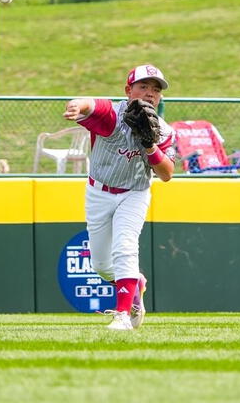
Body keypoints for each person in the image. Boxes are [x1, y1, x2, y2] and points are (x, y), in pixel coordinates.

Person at [63, 64, 175, 331]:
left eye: (156, 89)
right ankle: (135, 283)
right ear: (128, 91)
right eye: (143, 86)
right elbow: (89, 103)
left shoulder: (164, 131)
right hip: (99, 191)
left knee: (125, 246)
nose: (150, 93)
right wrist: (75, 105)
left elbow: (167, 174)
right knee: (101, 265)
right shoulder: (112, 115)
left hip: (135, 193)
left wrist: (149, 144)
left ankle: (122, 316)